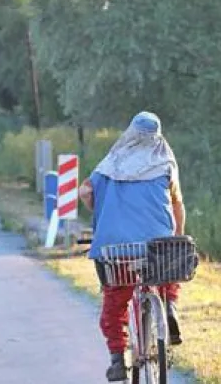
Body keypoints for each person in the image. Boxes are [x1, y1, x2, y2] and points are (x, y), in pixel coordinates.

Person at [78, 111, 187, 382]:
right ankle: (170, 308)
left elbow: (85, 191)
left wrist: (98, 210)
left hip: (117, 250)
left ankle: (118, 359)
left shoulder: (109, 164)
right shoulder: (165, 164)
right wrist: (178, 236)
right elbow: (177, 205)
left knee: (115, 302)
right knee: (167, 271)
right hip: (156, 247)